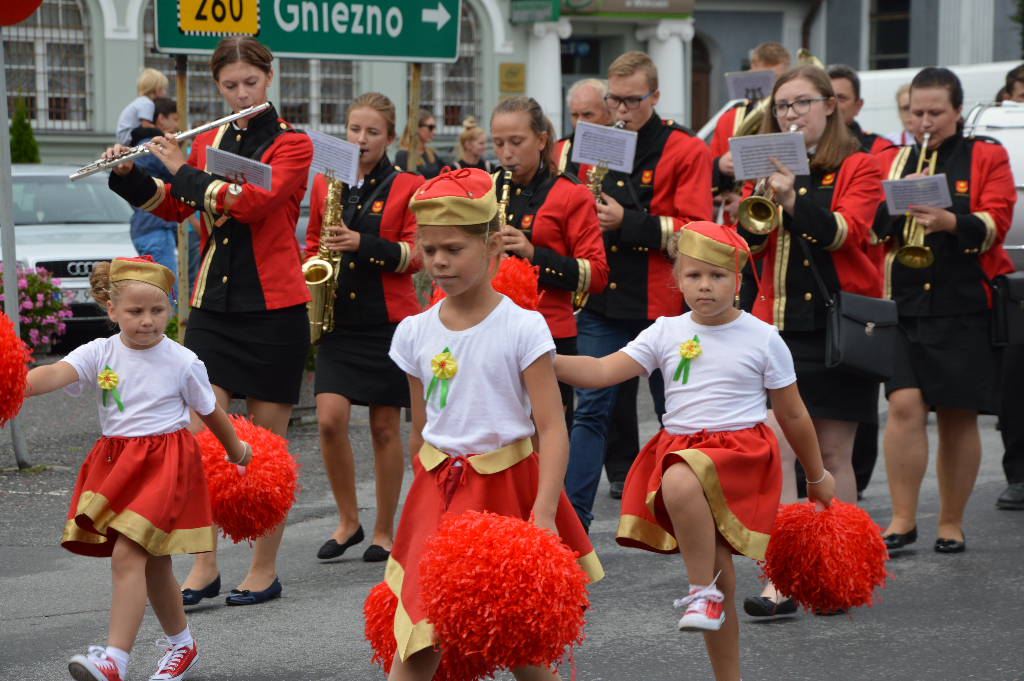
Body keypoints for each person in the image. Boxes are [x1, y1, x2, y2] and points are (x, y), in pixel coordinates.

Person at [554, 222, 835, 681]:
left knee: (681, 477)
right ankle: (726, 663)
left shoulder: (763, 337)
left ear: (738, 281)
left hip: (740, 454)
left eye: (718, 276)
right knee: (718, 560)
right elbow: (602, 371)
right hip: (683, 447)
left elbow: (795, 415)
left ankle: (700, 590)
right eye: (693, 276)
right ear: (677, 279)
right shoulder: (664, 330)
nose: (705, 286)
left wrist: (818, 476)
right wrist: (539, 356)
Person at [105, 35, 314, 606]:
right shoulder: (214, 138)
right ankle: (205, 565)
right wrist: (128, 175)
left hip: (274, 310)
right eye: (230, 86)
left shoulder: (293, 145)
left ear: (268, 80)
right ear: (216, 86)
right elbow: (175, 205)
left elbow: (253, 204)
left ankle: (263, 569)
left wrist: (179, 167)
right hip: (214, 310)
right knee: (201, 443)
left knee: (265, 450)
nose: (241, 93)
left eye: (250, 83)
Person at [383, 167, 603, 680]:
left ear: (491, 247)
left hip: (506, 491)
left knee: (519, 645)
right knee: (419, 636)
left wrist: (544, 514)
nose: (439, 261)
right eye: (430, 249)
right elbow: (420, 430)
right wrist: (420, 505)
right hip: (437, 494)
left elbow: (551, 426)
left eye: (454, 249)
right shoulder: (413, 332)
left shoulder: (523, 326)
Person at [22, 256, 253, 681]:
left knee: (129, 552)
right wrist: (13, 382)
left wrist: (238, 452)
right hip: (118, 465)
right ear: (112, 310)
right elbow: (54, 373)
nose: (147, 321)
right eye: (135, 311)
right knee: (154, 564)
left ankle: (114, 660)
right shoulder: (100, 351)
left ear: (170, 309)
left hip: (166, 465)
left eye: (158, 311)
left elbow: (212, 411)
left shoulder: (182, 360)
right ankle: (182, 646)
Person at [736, 64, 883, 615]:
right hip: (777, 327)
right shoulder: (770, 164)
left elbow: (848, 233)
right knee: (777, 446)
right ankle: (784, 576)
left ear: (830, 106)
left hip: (837, 327)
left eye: (800, 104)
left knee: (835, 452)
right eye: (782, 106)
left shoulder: (859, 164)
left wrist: (794, 200)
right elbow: (750, 247)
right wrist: (758, 205)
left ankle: (834, 572)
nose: (790, 114)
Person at [565, 51, 713, 533]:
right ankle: (570, 527)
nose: (622, 109)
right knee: (590, 409)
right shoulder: (592, 143)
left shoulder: (685, 148)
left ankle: (688, 514)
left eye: (633, 100)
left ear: (655, 96)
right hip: (604, 301)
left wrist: (628, 222)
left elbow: (695, 229)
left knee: (680, 412)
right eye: (615, 99)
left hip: (663, 305)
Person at [873, 67, 1016, 552]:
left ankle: (950, 522)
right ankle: (902, 519)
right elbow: (871, 227)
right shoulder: (891, 156)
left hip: (963, 300)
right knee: (904, 405)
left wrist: (949, 220)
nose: (925, 122)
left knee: (958, 414)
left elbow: (997, 220)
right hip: (903, 300)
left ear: (958, 111)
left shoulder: (985, 154)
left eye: (936, 112)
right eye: (916, 112)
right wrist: (899, 199)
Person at [305, 92, 424, 563]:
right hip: (338, 319)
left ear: (390, 137)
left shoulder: (409, 185)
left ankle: (383, 531)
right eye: (355, 129)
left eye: (372, 132)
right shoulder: (326, 183)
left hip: (388, 323)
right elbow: (314, 236)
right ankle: (348, 520)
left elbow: (416, 254)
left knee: (383, 428)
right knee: (330, 421)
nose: (361, 139)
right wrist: (311, 263)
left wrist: (362, 243)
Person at [490, 96, 608, 432]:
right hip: (491, 329)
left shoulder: (572, 193)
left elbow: (596, 274)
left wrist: (533, 253)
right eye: (498, 143)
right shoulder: (487, 188)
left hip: (549, 332)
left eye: (517, 142)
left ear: (541, 141)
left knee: (546, 439)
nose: (506, 153)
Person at [826, 63, 894, 498]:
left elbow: (866, 225)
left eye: (839, 99)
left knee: (842, 441)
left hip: (851, 296)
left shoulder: (871, 154)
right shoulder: (789, 155)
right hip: (790, 310)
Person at [709, 43, 791, 223]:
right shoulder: (729, 119)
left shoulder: (792, 120)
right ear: (751, 73)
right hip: (731, 218)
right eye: (761, 78)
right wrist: (720, 166)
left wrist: (747, 202)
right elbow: (704, 175)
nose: (768, 86)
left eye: (774, 78)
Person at [127, 97, 182, 280]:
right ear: (161, 119)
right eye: (174, 119)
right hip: (156, 228)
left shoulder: (140, 144)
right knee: (165, 295)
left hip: (146, 228)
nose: (177, 125)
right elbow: (181, 174)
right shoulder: (153, 146)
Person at [827, 64, 895, 157]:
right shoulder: (805, 146)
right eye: (827, 99)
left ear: (858, 106)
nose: (833, 105)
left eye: (841, 98)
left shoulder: (881, 149)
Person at [554, 78, 613, 174]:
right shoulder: (555, 151)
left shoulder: (623, 153)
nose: (579, 122)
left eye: (587, 115)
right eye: (574, 115)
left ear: (609, 115)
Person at [116, 68, 168, 146]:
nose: (165, 93)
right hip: (128, 134)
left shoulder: (142, 101)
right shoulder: (148, 103)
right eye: (164, 89)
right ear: (157, 90)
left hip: (124, 134)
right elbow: (146, 125)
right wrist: (161, 132)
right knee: (154, 131)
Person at [396, 109, 445, 179]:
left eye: (434, 127)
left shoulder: (431, 153)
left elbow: (445, 172)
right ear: (417, 127)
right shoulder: (403, 155)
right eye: (430, 127)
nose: (434, 132)